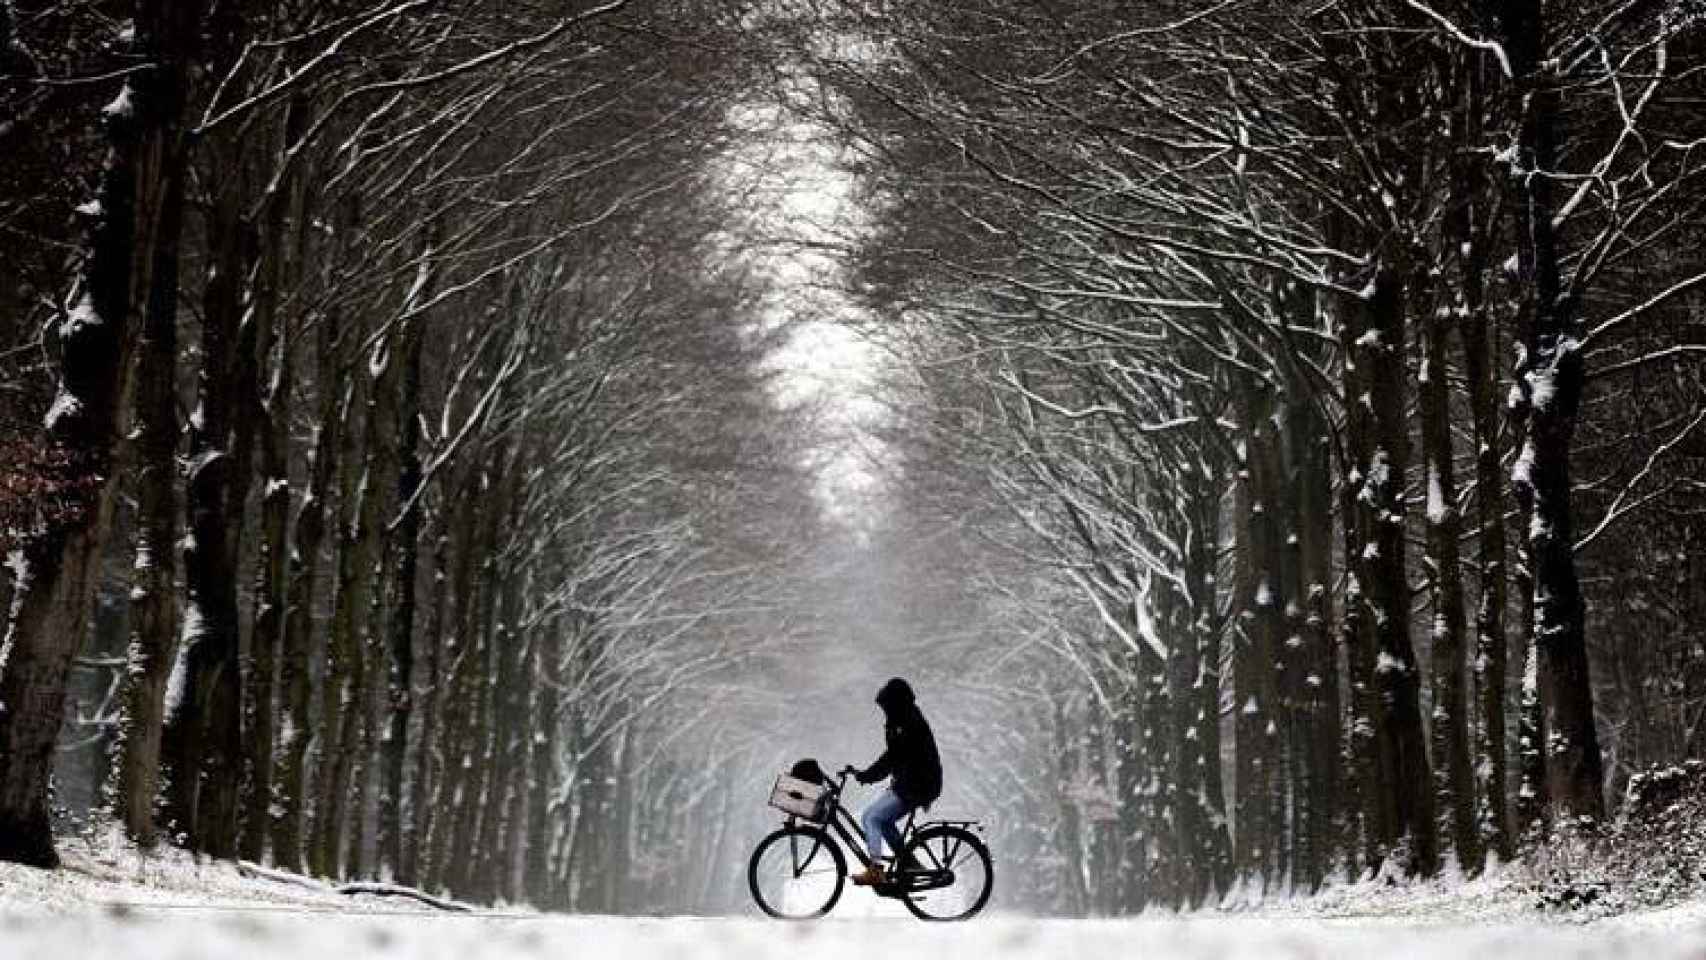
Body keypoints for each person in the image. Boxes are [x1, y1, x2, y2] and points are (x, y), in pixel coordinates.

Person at [851, 677, 942, 886]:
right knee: (880, 820)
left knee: (872, 818)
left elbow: (894, 757)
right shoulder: (902, 720)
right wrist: (867, 775)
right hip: (911, 782)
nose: (884, 711)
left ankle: (875, 869)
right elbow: (893, 755)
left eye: (886, 706)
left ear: (896, 703)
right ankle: (909, 863)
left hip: (918, 784)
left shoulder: (909, 723)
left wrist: (868, 775)